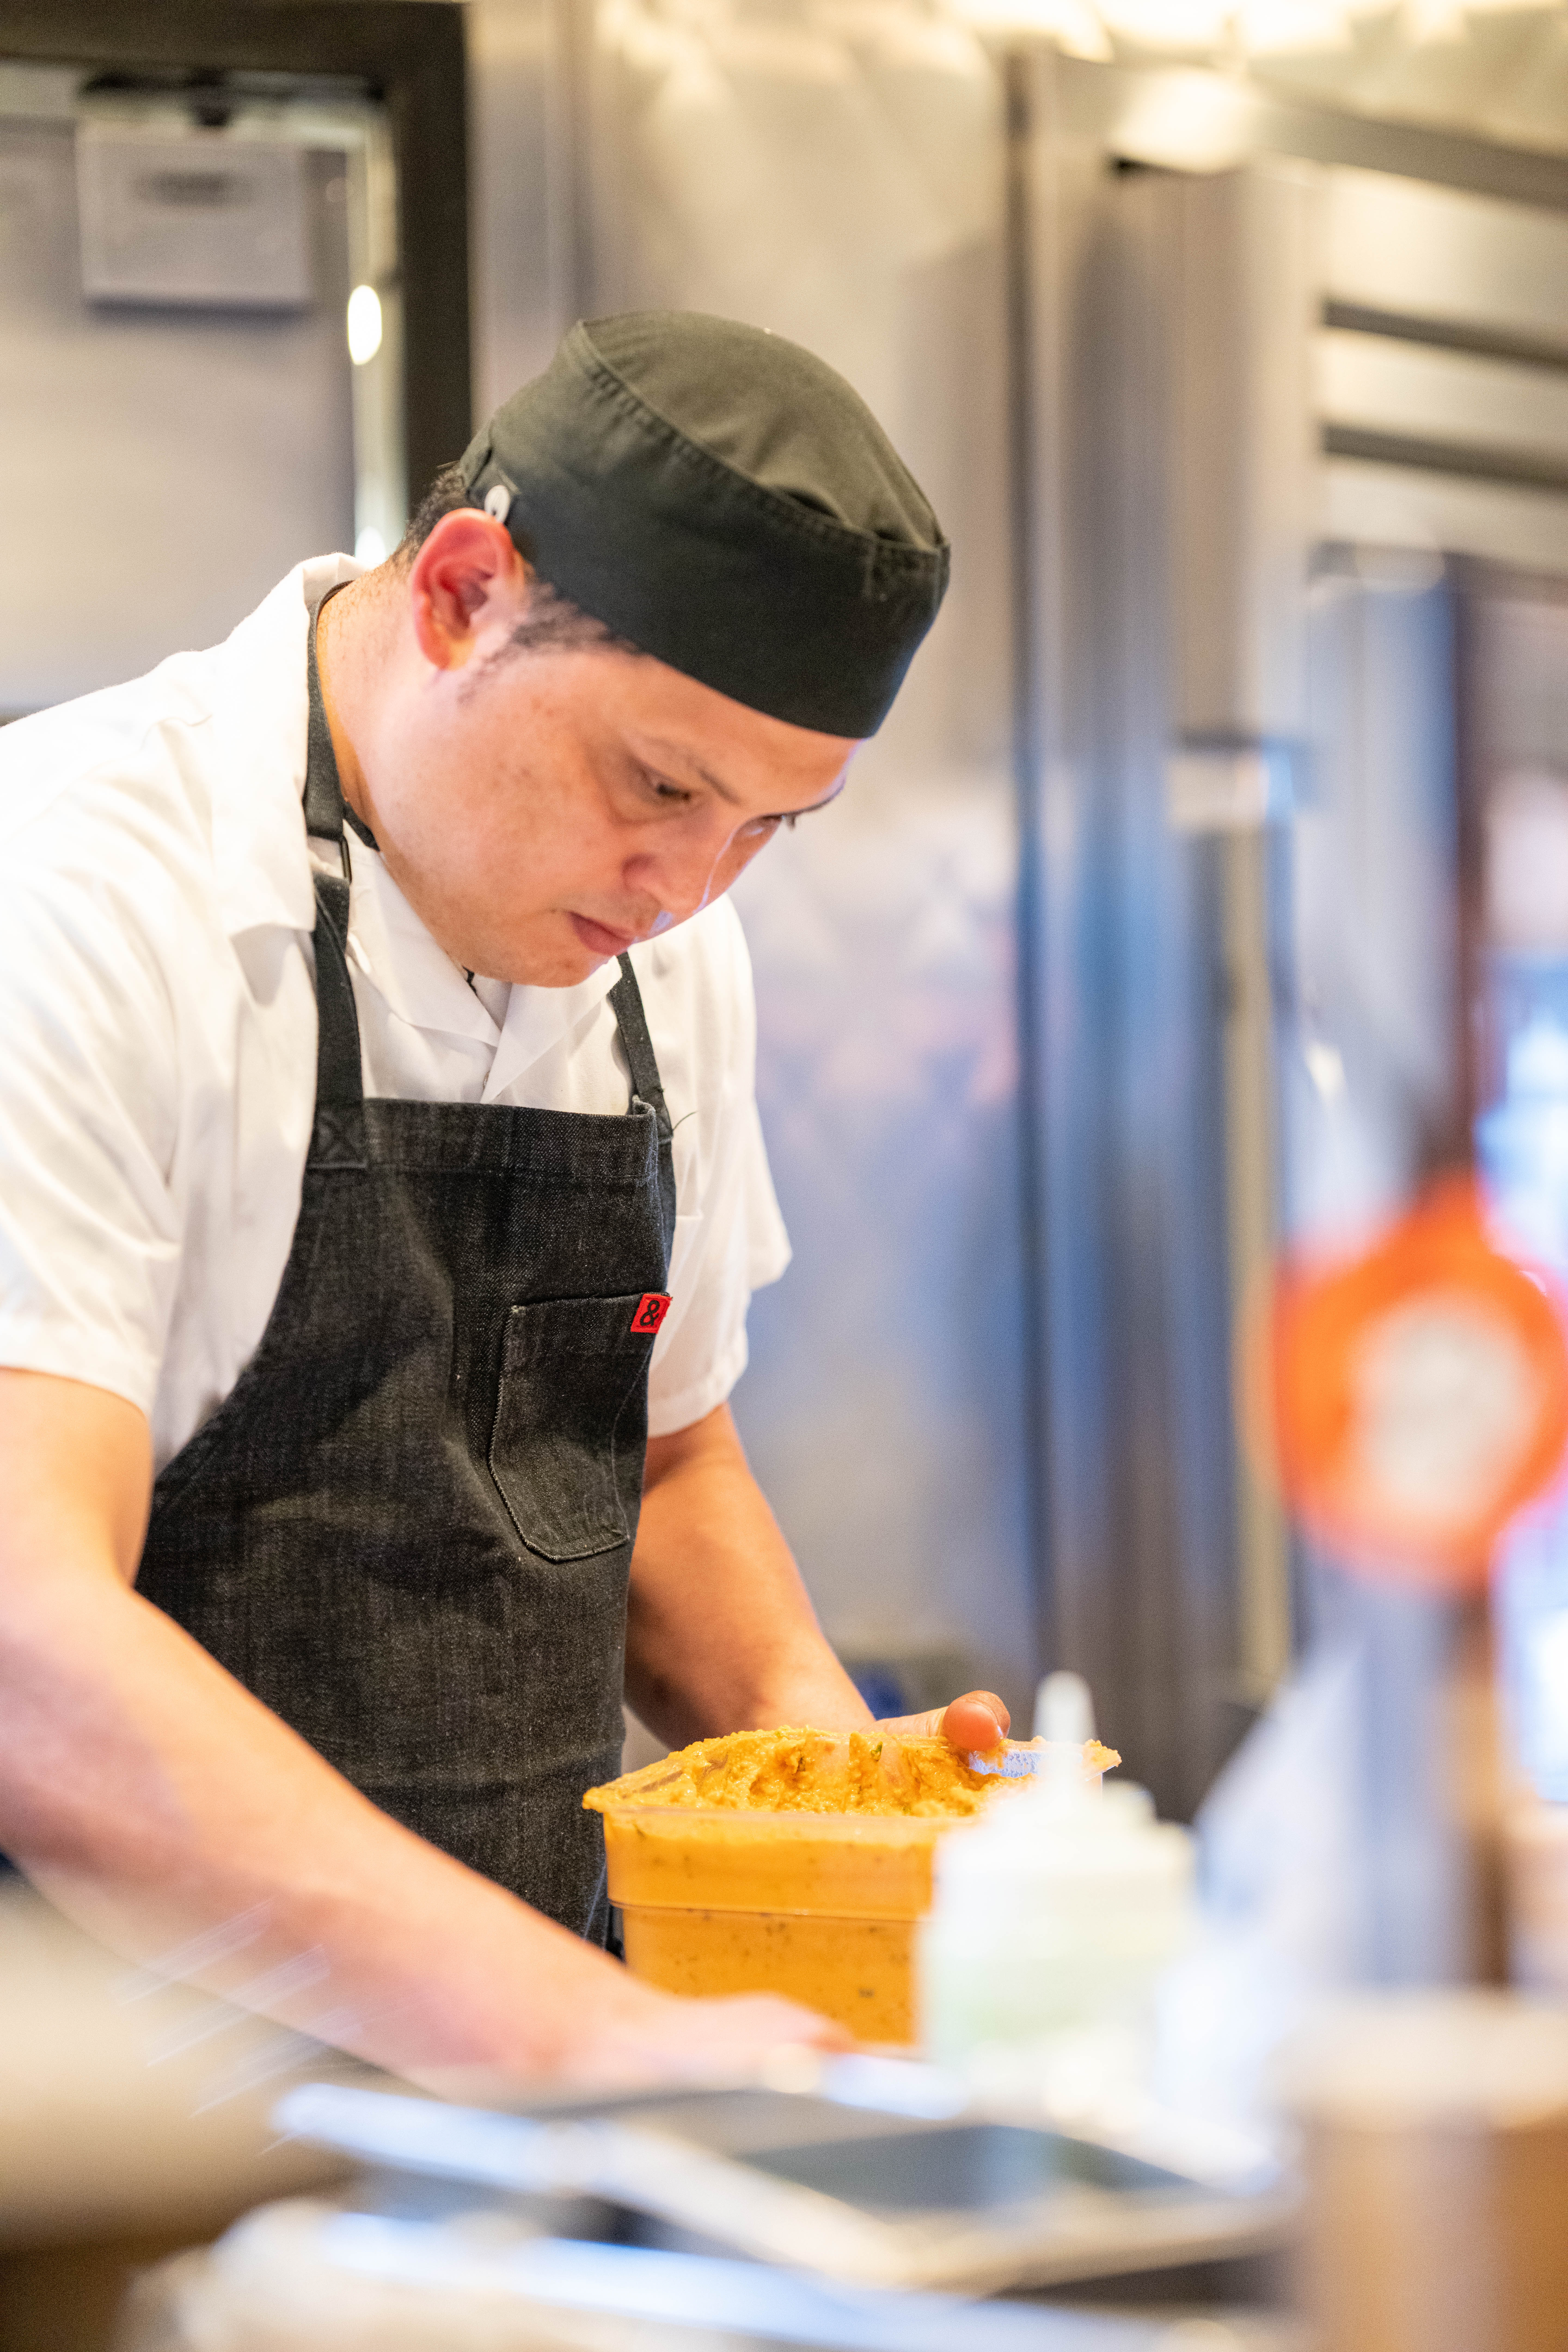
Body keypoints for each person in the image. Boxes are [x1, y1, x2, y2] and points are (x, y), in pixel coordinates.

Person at [0, 312, 1012, 2087]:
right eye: (663, 785)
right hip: (100, 2129)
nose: (693, 888)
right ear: (465, 589)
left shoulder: (663, 953)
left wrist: (827, 1782)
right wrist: (570, 2032)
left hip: (507, 2093)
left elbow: (666, 1458)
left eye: (777, 827)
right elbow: (25, 1639)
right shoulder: (79, 892)